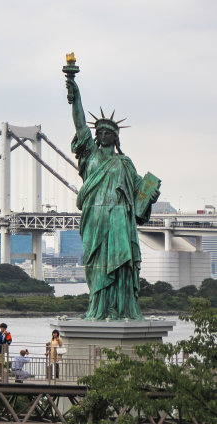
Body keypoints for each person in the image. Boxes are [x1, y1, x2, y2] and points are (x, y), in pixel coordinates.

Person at [66, 74, 159, 320]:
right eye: (100, 131)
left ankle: (121, 309)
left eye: (108, 132)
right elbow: (79, 124)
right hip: (94, 218)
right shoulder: (89, 156)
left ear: (115, 137)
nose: (103, 134)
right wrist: (75, 95)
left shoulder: (124, 163)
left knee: (121, 267)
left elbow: (140, 195)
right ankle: (98, 308)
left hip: (119, 220)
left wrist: (151, 195)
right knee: (96, 265)